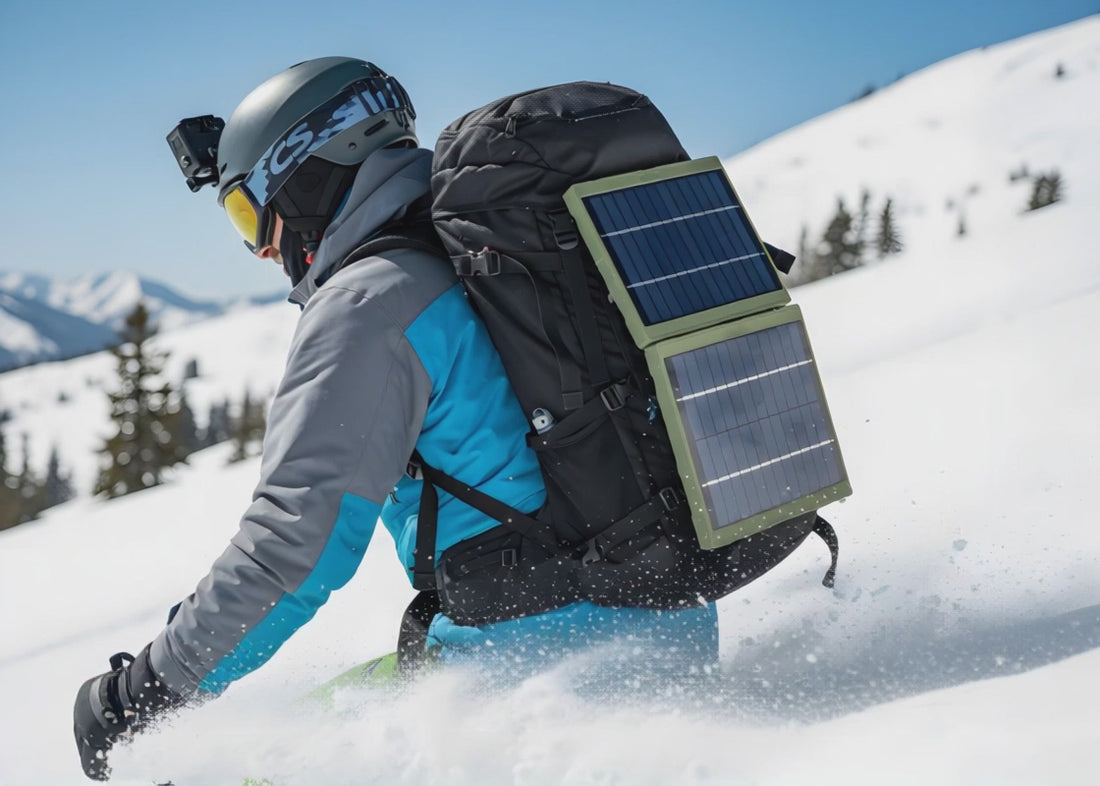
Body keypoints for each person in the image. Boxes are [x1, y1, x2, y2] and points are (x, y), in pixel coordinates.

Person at [72, 57, 719, 781]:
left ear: (304, 170)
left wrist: (143, 692)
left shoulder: (368, 303)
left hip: (535, 686)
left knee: (235, 772)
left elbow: (293, 548)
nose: (262, 248)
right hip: (670, 632)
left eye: (250, 214)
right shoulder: (489, 252)